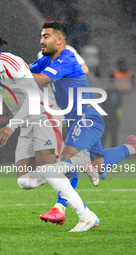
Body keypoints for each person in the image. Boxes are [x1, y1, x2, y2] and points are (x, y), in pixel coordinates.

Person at [0, 28, 101, 232]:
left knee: (48, 168)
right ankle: (78, 160)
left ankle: (86, 216)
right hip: (24, 122)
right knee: (25, 181)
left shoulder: (11, 63)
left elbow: (34, 96)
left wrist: (11, 125)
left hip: (44, 114)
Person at [30, 20, 136, 225]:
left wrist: (12, 75)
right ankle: (129, 147)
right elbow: (27, 72)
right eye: (41, 36)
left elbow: (39, 80)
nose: (41, 40)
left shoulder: (67, 58)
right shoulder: (47, 59)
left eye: (46, 36)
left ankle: (60, 208)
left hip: (87, 117)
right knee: (99, 169)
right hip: (73, 119)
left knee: (67, 157)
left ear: (60, 40)